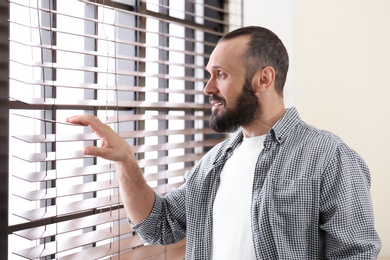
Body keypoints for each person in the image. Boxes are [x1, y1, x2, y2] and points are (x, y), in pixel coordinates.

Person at [66, 26, 381, 259]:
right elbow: (159, 225)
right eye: (209, 74)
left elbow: (356, 254)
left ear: (263, 78)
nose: (207, 87)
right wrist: (126, 163)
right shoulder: (216, 160)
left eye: (221, 75)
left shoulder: (329, 157)